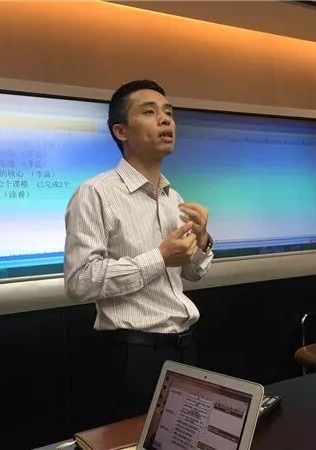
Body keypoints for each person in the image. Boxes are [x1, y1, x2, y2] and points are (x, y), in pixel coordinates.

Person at [64, 79, 214, 419]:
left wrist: (202, 240)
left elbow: (192, 274)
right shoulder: (95, 193)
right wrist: (159, 257)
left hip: (185, 346)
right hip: (134, 355)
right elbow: (79, 282)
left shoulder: (174, 198)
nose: (165, 119)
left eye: (169, 112)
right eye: (150, 112)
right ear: (121, 131)